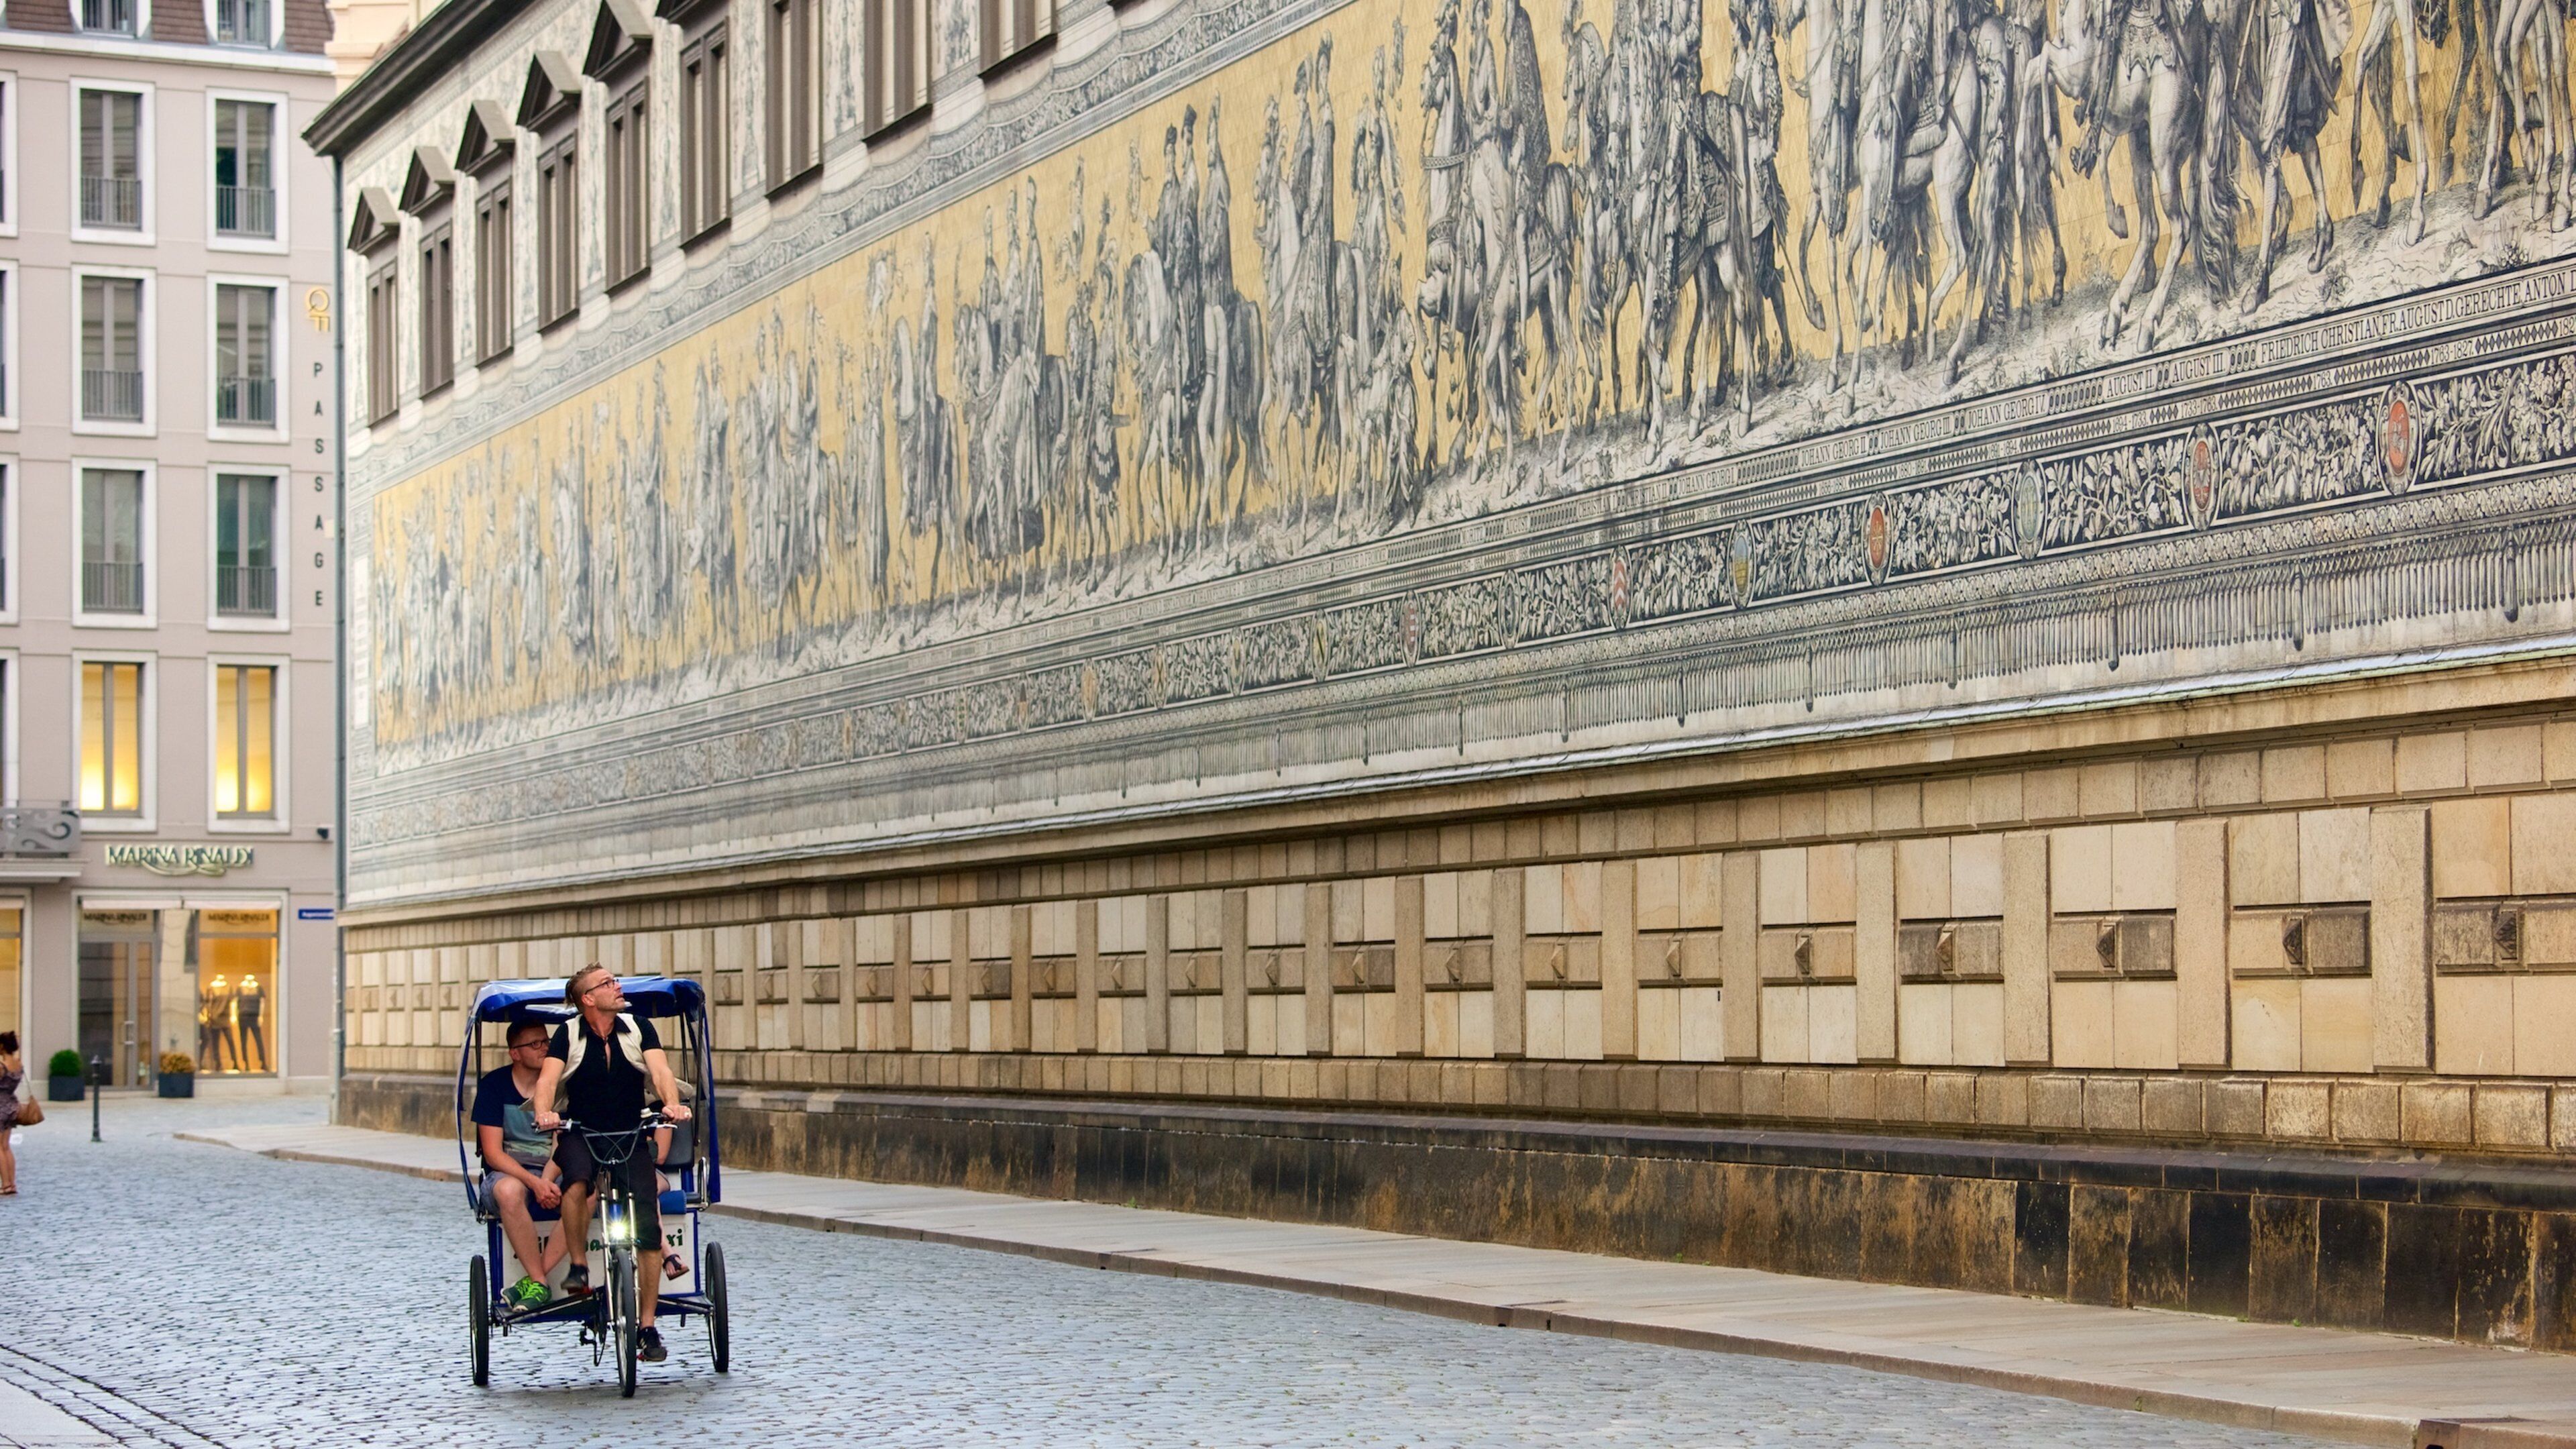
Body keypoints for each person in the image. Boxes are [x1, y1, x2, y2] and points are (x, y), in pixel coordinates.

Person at [531, 965, 692, 1364]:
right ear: (587, 999)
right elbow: (548, 1082)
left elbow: (660, 1071)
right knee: (578, 1184)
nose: (616, 987)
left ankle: (648, 1326)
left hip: (630, 1132)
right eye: (606, 984)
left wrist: (671, 1103)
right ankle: (580, 1267)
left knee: (649, 1231)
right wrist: (544, 1112)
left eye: (614, 980)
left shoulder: (638, 1027)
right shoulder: (567, 1034)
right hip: (581, 1132)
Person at [470, 1020, 565, 1309]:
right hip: (508, 1171)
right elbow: (493, 1153)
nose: (544, 1048)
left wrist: (546, 1180)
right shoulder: (494, 1086)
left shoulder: (560, 1085)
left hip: (553, 1168)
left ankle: (535, 1281)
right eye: (535, 1044)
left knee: (585, 1191)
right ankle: (539, 1280)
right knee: (510, 1192)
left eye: (546, 1042)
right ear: (515, 1053)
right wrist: (534, 1183)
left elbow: (562, 1144)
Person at [0, 1032, 20, 1195]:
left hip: (0, 1107)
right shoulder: (18, 1064)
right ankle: (12, 1184)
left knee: (0, 1148)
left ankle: (5, 1185)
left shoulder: (2, 1066)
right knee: (6, 1147)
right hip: (12, 1106)